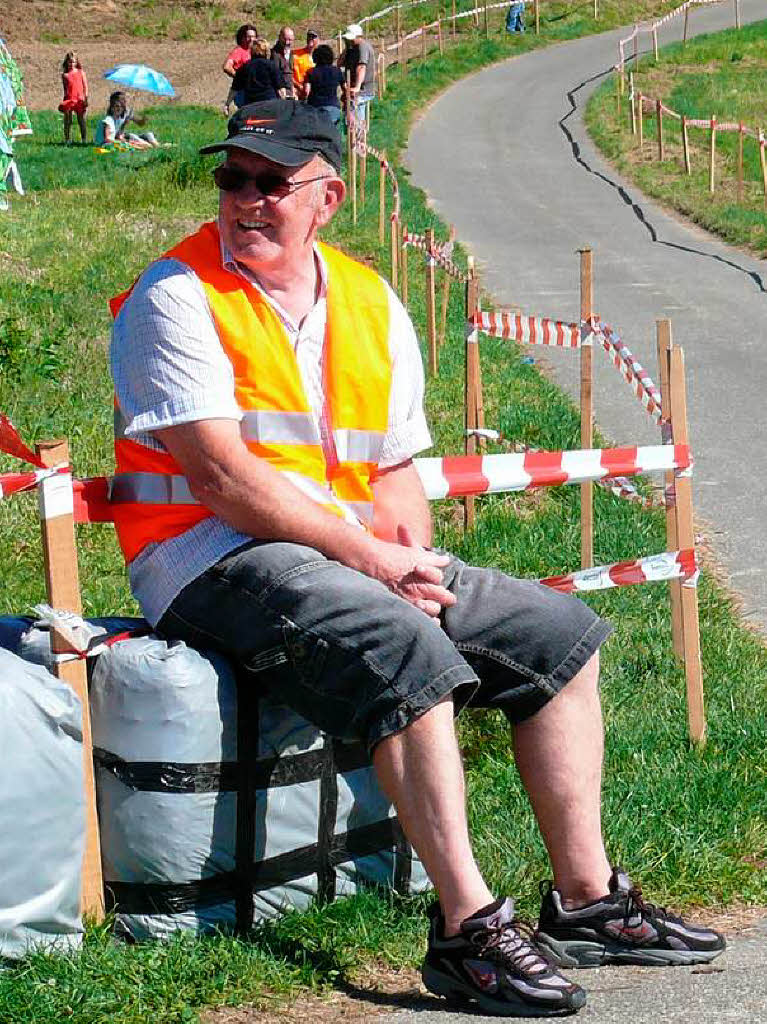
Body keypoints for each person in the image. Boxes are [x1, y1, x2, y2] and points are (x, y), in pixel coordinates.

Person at [109, 100, 726, 1018]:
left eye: (270, 183)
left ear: (327, 197)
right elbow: (224, 479)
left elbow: (394, 469)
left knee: (559, 636)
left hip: (346, 555)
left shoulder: (368, 300)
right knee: (408, 654)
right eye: (230, 178)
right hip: (207, 557)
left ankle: (585, 899)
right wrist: (378, 569)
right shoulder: (175, 296)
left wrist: (414, 562)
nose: (244, 199)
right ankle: (465, 928)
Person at [228, 38, 284, 110]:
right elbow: (280, 89)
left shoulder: (245, 67)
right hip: (270, 104)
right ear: (266, 51)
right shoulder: (272, 66)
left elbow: (234, 89)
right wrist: (284, 104)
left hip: (250, 105)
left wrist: (227, 104)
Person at [338, 23, 376, 123]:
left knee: (356, 122)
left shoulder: (362, 47)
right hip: (350, 91)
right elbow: (340, 63)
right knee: (349, 121)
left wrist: (357, 87)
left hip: (361, 91)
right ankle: (353, 136)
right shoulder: (351, 48)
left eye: (351, 39)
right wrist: (346, 49)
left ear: (359, 37)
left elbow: (362, 67)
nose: (348, 41)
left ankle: (358, 137)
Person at [95, 91, 159, 149]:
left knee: (148, 134)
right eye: (122, 99)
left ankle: (154, 144)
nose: (125, 101)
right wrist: (124, 124)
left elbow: (140, 123)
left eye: (124, 100)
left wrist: (143, 120)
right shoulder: (110, 118)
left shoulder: (126, 112)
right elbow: (111, 136)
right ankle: (151, 145)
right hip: (117, 138)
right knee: (135, 138)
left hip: (121, 137)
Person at [303, 45, 345, 125]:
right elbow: (345, 89)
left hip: (315, 107)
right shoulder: (337, 71)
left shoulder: (311, 72)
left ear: (315, 57)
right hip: (333, 107)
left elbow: (306, 92)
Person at [222, 23, 258, 109]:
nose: (251, 39)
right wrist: (239, 77)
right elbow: (227, 67)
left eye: (253, 36)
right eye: (248, 36)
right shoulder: (239, 51)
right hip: (243, 91)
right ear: (242, 38)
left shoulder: (256, 51)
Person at [58, 51, 88, 145]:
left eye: (73, 62)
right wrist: (65, 100)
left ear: (77, 62)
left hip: (79, 99)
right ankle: (67, 139)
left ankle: (84, 139)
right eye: (70, 62)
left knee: (81, 120)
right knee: (67, 120)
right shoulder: (65, 75)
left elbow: (85, 86)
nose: (72, 64)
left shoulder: (81, 72)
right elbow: (65, 88)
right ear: (66, 62)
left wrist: (86, 99)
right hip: (69, 98)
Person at [291, 29, 319, 100]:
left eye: (313, 37)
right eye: (309, 36)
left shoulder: (321, 57)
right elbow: (288, 74)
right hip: (297, 92)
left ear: (318, 40)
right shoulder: (295, 54)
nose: (310, 38)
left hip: (314, 94)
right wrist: (299, 87)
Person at [270, 26, 295, 99]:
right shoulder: (273, 54)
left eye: (290, 40)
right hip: (279, 93)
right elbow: (274, 74)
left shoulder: (292, 54)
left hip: (291, 92)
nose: (287, 42)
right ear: (279, 37)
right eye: (285, 39)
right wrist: (280, 90)